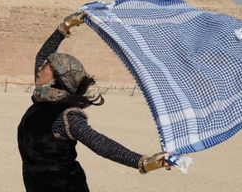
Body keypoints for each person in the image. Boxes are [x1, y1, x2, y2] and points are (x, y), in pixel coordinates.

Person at [17, 13, 170, 192]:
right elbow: (42, 55)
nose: (40, 69)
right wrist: (64, 27)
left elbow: (100, 144)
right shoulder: (41, 98)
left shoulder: (67, 116)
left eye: (45, 67)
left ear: (58, 77)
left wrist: (144, 163)